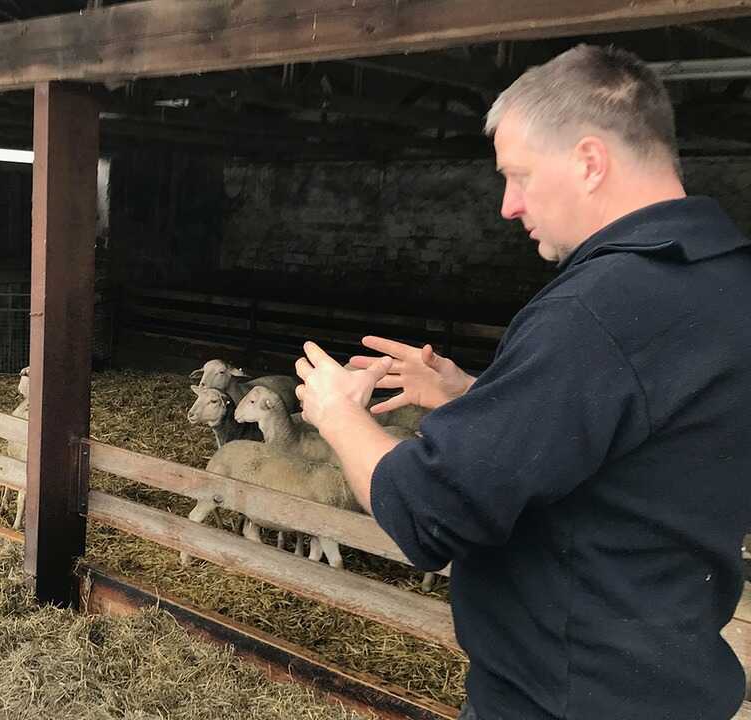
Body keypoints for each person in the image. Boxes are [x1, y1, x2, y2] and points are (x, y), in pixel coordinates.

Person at [295, 45, 751, 720]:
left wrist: (336, 413)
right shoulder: (725, 279)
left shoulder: (595, 310)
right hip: (666, 682)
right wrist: (478, 397)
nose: (508, 205)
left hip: (560, 697)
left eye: (519, 175)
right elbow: (638, 439)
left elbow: (427, 513)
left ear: (590, 162)